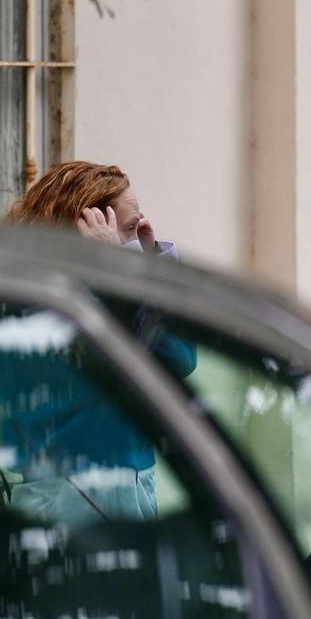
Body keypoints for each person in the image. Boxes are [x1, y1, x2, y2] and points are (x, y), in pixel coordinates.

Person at [0, 161, 195, 526]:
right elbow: (177, 360)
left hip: (102, 493)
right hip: (86, 500)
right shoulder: (46, 310)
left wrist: (147, 271)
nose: (138, 241)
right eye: (130, 231)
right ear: (87, 229)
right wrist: (121, 275)